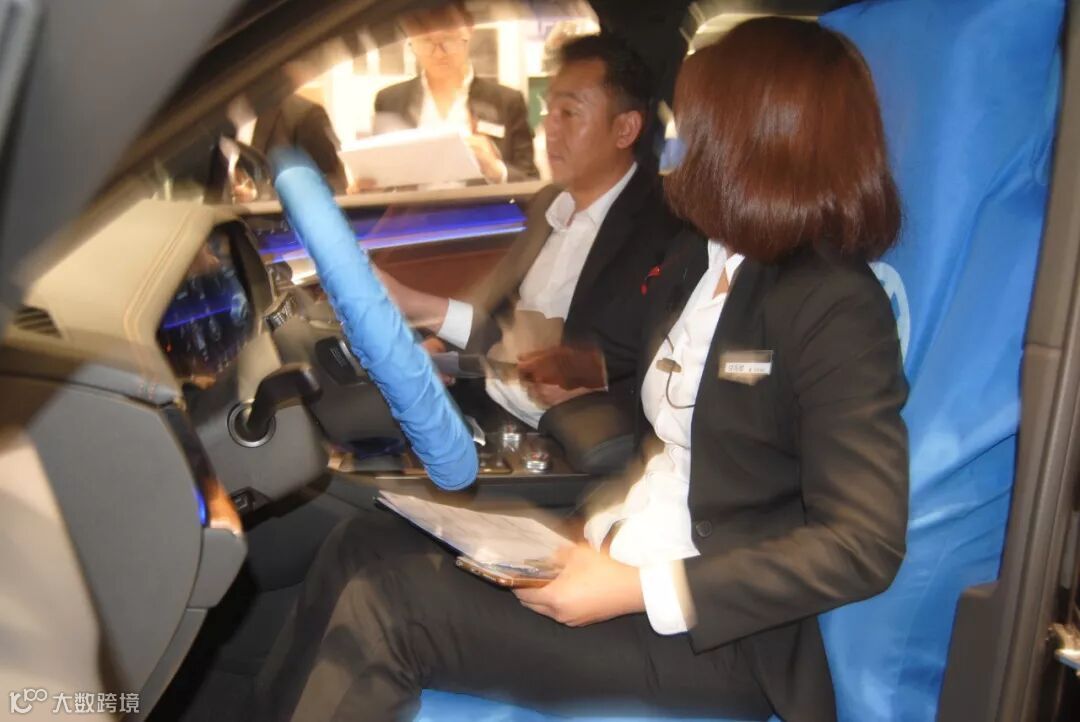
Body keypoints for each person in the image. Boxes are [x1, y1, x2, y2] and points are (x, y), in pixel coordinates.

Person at [253, 18, 909, 722]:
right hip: (612, 547)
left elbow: (863, 543)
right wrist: (574, 531)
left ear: (757, 139)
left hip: (712, 637)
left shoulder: (834, 303)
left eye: (695, 126)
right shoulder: (700, 259)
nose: (677, 143)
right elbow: (638, 405)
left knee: (389, 604)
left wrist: (637, 588)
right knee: (362, 542)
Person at [379, 34, 678, 429]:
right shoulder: (548, 204)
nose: (548, 127)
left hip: (561, 433)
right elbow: (496, 312)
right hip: (484, 403)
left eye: (569, 113)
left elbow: (634, 360)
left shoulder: (662, 226)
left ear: (625, 129)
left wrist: (418, 306)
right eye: (549, 110)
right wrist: (444, 346)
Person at [371, 2, 538, 183]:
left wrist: (496, 170)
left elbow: (530, 181)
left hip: (481, 202)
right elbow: (381, 174)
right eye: (426, 42)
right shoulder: (389, 101)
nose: (438, 54)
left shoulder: (506, 102)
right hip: (414, 203)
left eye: (448, 40)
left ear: (469, 29)